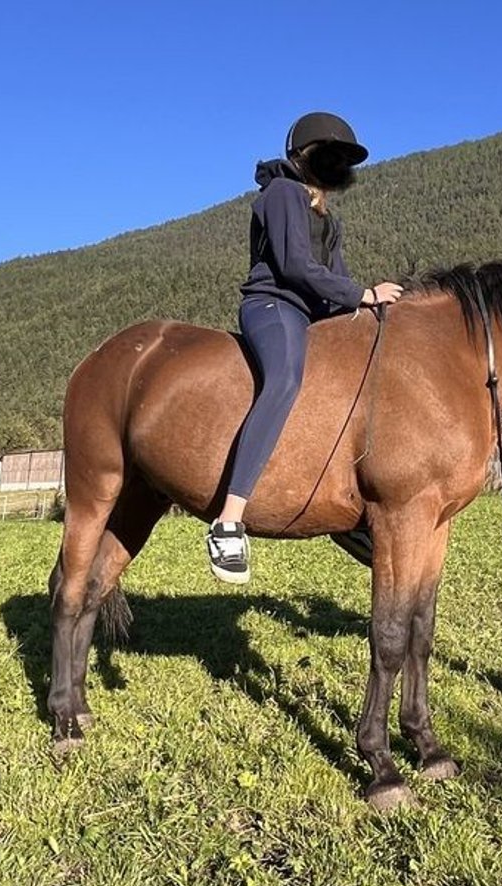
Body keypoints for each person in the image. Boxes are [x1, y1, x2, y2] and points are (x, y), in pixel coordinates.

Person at [207, 112, 403, 584]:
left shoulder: (325, 216)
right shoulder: (281, 193)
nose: (338, 163)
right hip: (274, 305)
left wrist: (367, 312)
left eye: (343, 159)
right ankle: (229, 520)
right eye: (331, 155)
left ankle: (348, 520)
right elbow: (294, 265)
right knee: (287, 379)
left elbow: (333, 276)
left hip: (317, 312)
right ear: (302, 155)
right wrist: (362, 294)